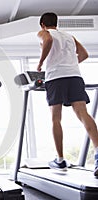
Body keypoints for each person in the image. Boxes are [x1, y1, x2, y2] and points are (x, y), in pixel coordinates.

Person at [37, 12, 98, 175]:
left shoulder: (44, 33)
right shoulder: (69, 36)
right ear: (56, 23)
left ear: (42, 24)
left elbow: (48, 40)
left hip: (55, 77)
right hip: (74, 76)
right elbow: (84, 55)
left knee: (56, 118)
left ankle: (60, 159)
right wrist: (69, 64)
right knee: (83, 114)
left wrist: (41, 62)